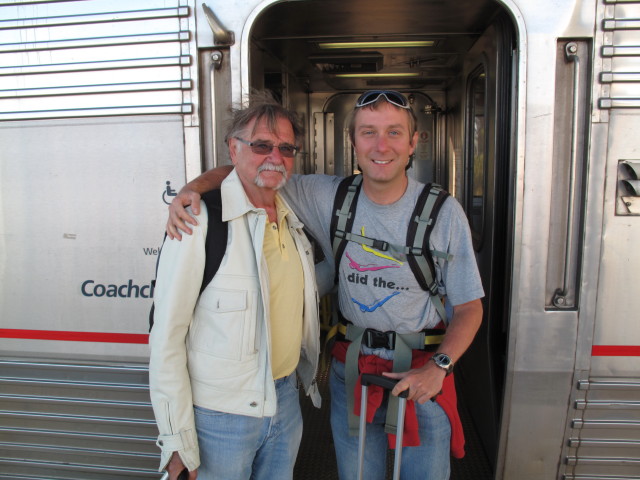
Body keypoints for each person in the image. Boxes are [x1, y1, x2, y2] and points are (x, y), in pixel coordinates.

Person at [166, 90, 484, 479]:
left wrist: (439, 368)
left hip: (422, 377)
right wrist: (194, 189)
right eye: (368, 133)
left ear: (414, 142)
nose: (381, 146)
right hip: (352, 374)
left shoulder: (443, 212)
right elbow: (250, 172)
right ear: (353, 143)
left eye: (394, 133)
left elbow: (469, 307)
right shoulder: (328, 195)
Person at [149, 93, 322, 480]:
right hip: (219, 421)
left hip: (286, 404)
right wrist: (177, 439)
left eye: (286, 148)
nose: (275, 156)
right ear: (234, 148)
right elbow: (166, 335)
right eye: (261, 145)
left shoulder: (293, 219)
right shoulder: (198, 221)